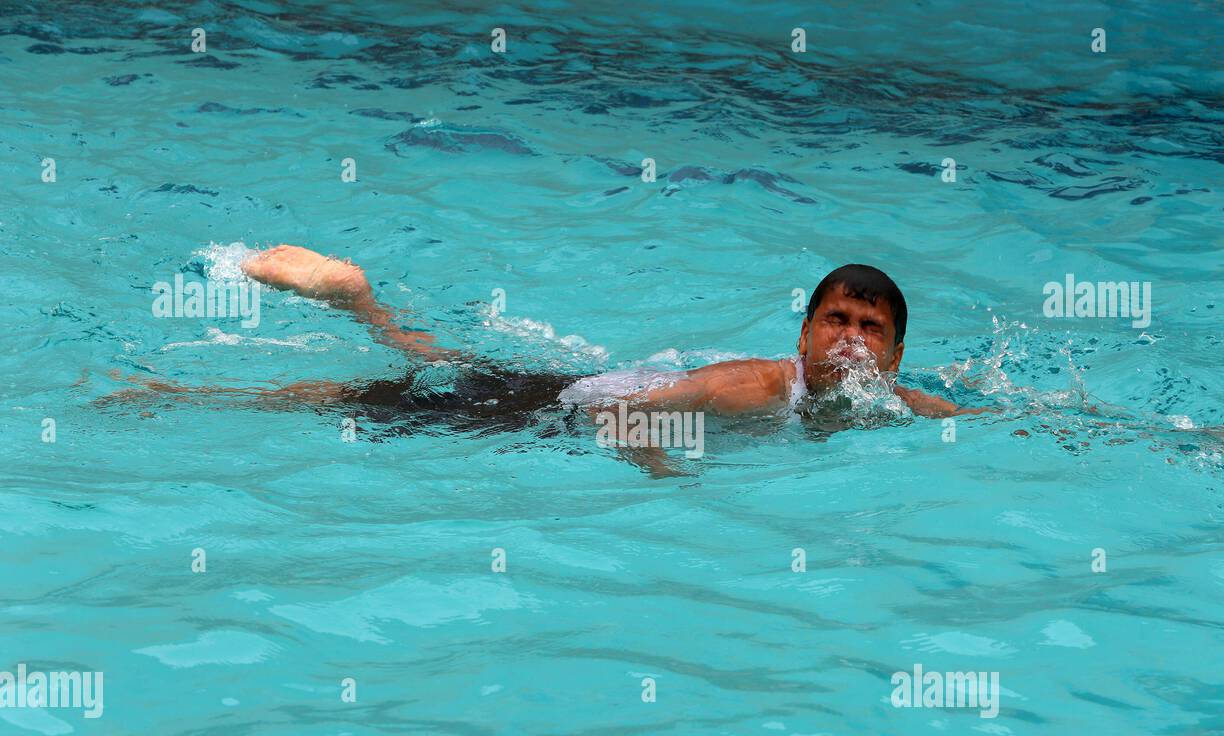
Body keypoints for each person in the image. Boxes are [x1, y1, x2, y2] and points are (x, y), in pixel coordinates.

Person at [106, 246, 991, 471]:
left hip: (565, 386)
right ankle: (174, 394)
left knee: (427, 361)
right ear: (802, 334)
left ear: (896, 351)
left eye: (869, 331)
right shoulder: (760, 385)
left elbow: (971, 414)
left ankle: (363, 303)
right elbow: (637, 416)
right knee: (364, 399)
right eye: (836, 319)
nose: (850, 340)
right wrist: (664, 483)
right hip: (553, 412)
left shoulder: (889, 399)